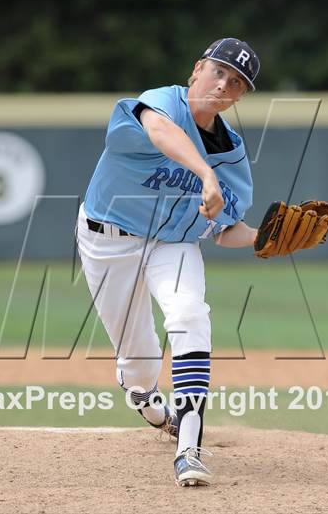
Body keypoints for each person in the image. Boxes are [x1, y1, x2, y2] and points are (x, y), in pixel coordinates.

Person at [76, 37, 260, 486]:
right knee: (139, 364)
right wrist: (204, 173)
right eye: (218, 71)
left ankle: (188, 448)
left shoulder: (230, 152)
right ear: (197, 69)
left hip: (172, 245)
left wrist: (268, 240)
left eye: (236, 83)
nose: (224, 85)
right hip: (108, 240)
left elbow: (226, 229)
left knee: (189, 315)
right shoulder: (161, 103)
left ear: (239, 97)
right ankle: (142, 394)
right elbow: (160, 131)